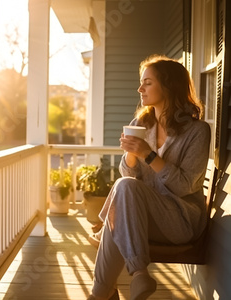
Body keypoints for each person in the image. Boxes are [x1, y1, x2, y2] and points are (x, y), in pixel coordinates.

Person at [87, 55, 211, 300]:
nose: (139, 89)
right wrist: (132, 155)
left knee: (116, 218)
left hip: (180, 220)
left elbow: (185, 186)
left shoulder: (197, 131)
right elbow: (128, 176)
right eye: (141, 83)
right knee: (123, 193)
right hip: (144, 217)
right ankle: (126, 281)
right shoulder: (141, 123)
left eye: (147, 83)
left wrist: (148, 154)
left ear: (169, 85)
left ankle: (117, 283)